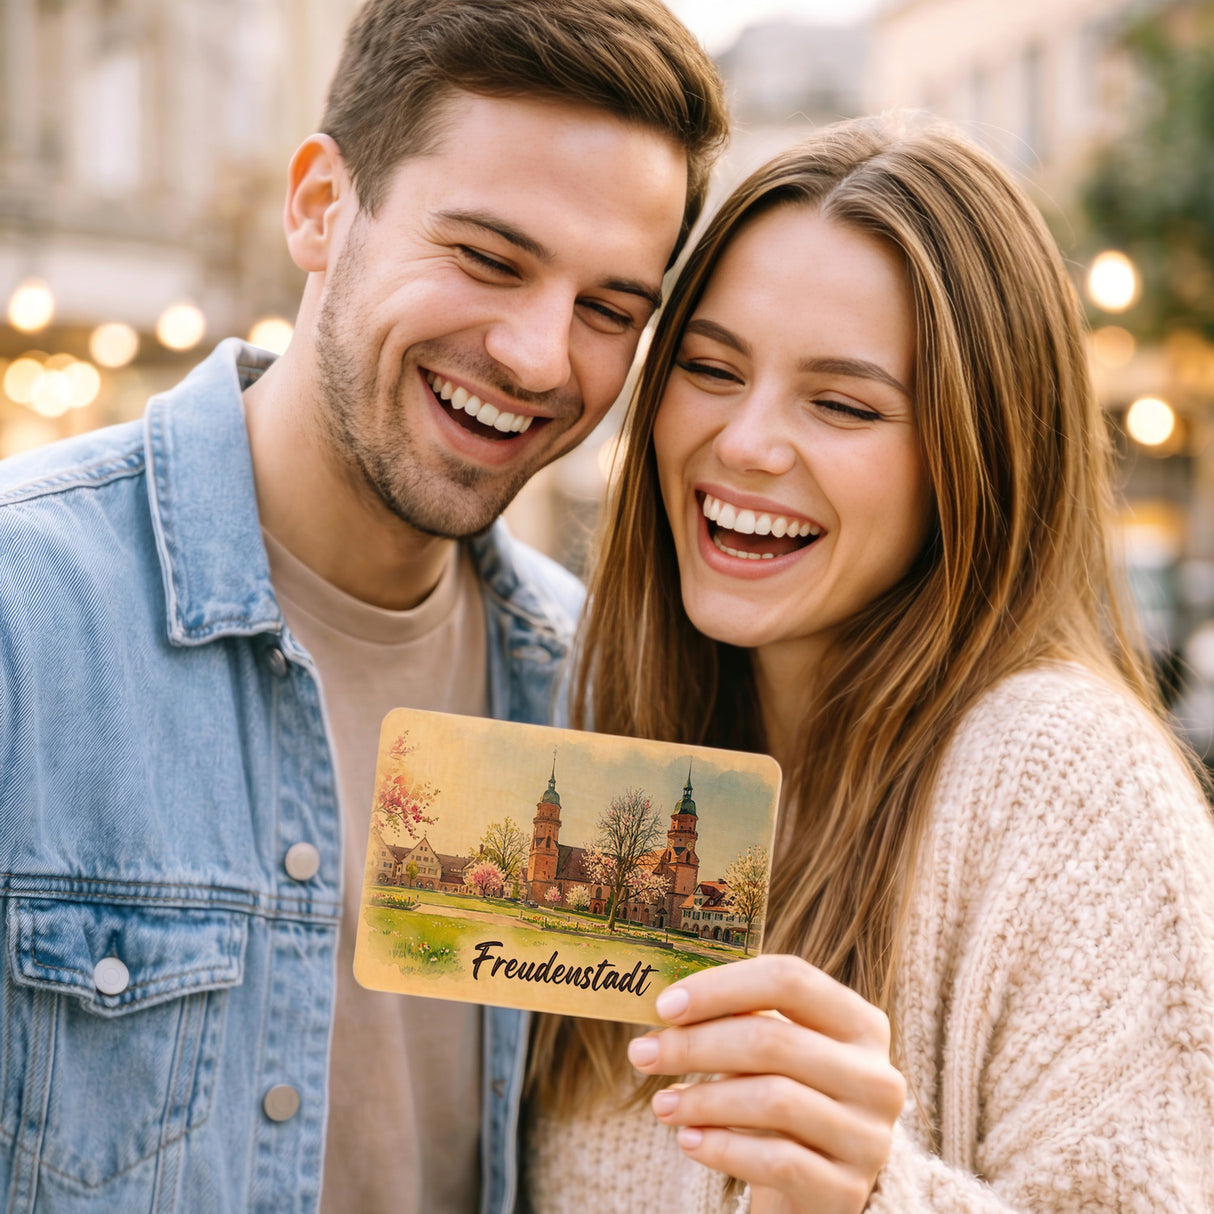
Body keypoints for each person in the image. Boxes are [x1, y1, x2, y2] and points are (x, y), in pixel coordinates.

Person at [0, 2, 727, 1211]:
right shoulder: (26, 614)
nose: (539, 356)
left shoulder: (596, 691)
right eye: (487, 257)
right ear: (320, 206)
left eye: (608, 309)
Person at [523, 115, 1214, 1213]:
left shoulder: (1068, 782)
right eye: (710, 368)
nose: (745, 441)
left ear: (975, 456)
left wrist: (870, 1194)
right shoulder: (614, 730)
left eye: (841, 404)